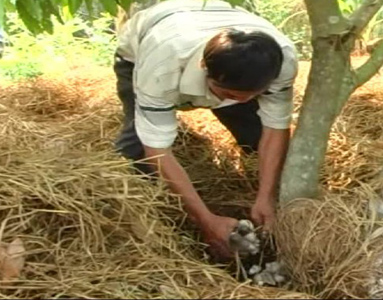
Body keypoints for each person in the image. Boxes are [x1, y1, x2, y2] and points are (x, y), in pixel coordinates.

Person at [113, 0, 298, 260]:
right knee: (135, 156)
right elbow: (156, 149)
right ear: (204, 69)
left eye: (252, 95)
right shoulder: (160, 66)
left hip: (220, 62)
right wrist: (205, 221)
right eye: (228, 94)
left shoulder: (283, 61)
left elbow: (276, 127)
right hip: (146, 55)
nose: (239, 99)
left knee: (257, 138)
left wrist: (266, 197)